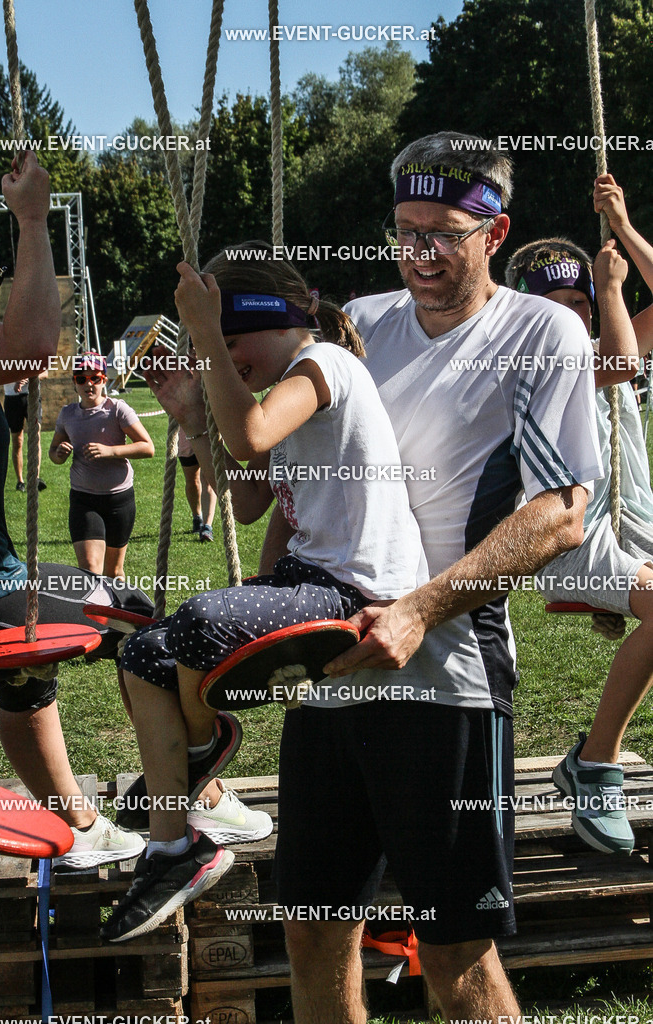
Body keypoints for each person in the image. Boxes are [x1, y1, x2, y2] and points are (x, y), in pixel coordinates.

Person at [252, 131, 604, 1023]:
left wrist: (417, 609)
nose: (420, 253)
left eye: (444, 233)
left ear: (495, 232)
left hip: (447, 678)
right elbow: (294, 488)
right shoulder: (359, 324)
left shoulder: (540, 329)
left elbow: (561, 510)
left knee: (454, 951)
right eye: (405, 231)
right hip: (331, 672)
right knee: (312, 928)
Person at [100, 244, 428, 943]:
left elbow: (248, 439)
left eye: (231, 341)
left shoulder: (323, 366)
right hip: (309, 580)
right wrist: (192, 417)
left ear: (276, 319)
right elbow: (248, 501)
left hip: (356, 591)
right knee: (141, 653)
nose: (230, 357)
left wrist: (207, 352)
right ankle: (171, 845)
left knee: (195, 625)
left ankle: (192, 759)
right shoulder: (284, 382)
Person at [0, 155, 148, 870]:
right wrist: (34, 222)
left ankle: (75, 825)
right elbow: (35, 346)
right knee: (141, 622)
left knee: (28, 678)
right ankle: (195, 797)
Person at [505, 173, 653, 856]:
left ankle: (586, 763)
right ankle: (595, 766)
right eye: (553, 306)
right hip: (574, 540)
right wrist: (613, 289)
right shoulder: (537, 364)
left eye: (578, 302)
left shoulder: (601, 340)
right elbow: (621, 359)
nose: (569, 316)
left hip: (632, 533)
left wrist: (621, 228)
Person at [49, 352, 154, 580]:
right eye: (82, 379)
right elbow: (53, 454)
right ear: (74, 383)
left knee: (114, 573)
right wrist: (59, 453)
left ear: (104, 380)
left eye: (95, 378)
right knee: (90, 570)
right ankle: (91, 615)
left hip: (119, 499)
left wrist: (111, 451)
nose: (89, 384)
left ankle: (117, 614)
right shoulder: (67, 414)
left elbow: (148, 447)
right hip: (83, 499)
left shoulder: (118, 409)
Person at [3, 373, 47, 492]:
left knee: (35, 438)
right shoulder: (4, 354)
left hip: (32, 396)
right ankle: (20, 481)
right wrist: (16, 378)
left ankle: (35, 478)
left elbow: (45, 372)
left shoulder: (33, 353)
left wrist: (27, 378)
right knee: (17, 441)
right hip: (12, 397)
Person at [177, 424, 216, 541]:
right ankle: (197, 517)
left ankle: (207, 526)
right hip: (186, 434)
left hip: (209, 433)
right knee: (192, 480)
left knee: (208, 480)